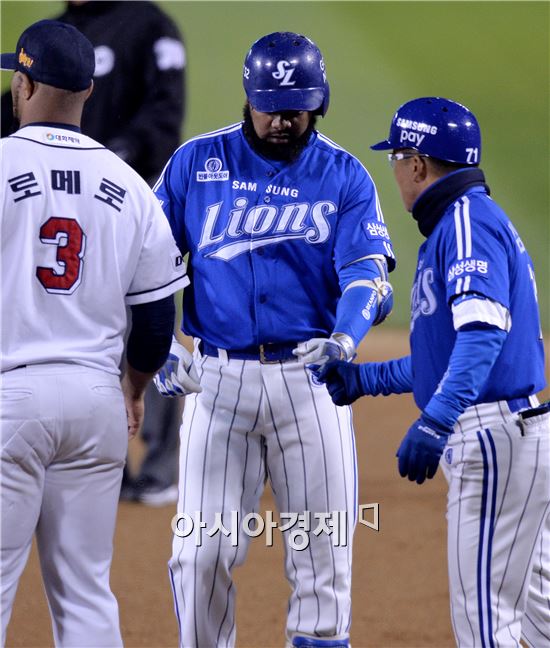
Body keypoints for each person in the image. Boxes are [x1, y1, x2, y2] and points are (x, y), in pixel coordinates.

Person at [152, 31, 396, 647]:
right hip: (217, 383)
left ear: (320, 102)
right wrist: (157, 349)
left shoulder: (344, 175)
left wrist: (344, 339)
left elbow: (367, 272)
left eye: (297, 108)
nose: (283, 120)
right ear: (247, 97)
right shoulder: (194, 164)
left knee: (323, 567)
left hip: (309, 383)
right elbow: (143, 266)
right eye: (270, 106)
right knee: (199, 556)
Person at [318, 97, 550, 646]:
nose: (394, 172)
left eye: (396, 159)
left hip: (493, 436)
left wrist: (437, 420)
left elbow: (484, 334)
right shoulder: (465, 223)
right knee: (537, 606)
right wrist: (365, 381)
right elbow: (445, 358)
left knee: (485, 616)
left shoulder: (466, 222)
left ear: (417, 164)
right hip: (515, 430)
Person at [0, 19, 189, 646]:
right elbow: (157, 321)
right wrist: (133, 391)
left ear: (23, 85)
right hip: (96, 406)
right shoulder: (132, 188)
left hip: (12, 402)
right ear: (87, 93)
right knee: (84, 592)